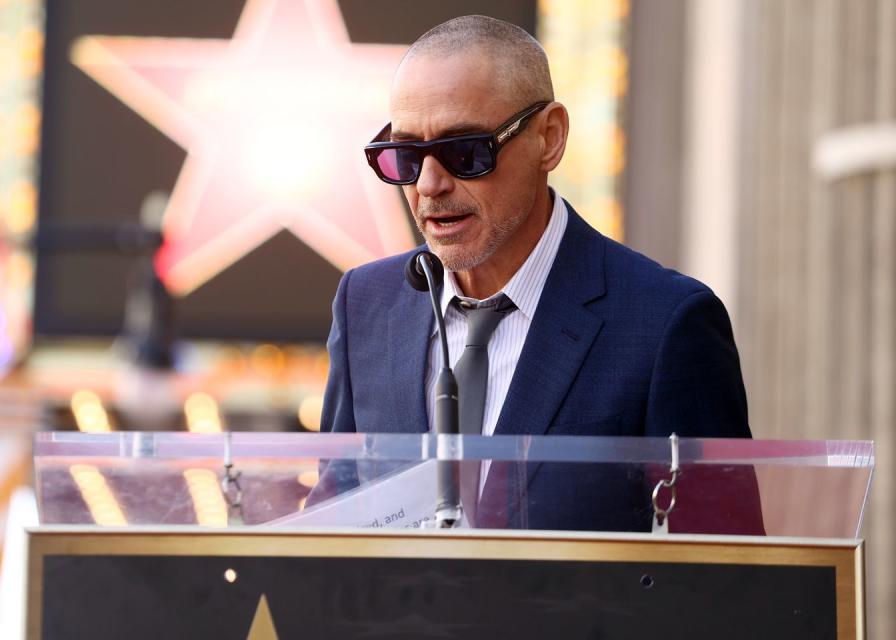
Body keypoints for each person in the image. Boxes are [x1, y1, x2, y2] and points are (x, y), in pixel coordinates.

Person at [318, 15, 758, 532]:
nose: (429, 184)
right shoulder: (365, 303)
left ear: (549, 137)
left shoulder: (666, 325)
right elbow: (331, 530)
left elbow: (728, 578)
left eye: (464, 151)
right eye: (405, 156)